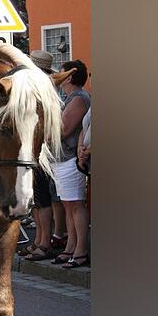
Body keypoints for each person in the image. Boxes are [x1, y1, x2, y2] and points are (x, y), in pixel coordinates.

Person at [21, 50, 67, 261]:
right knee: (37, 200)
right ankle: (39, 239)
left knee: (43, 200)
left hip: (46, 153)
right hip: (38, 151)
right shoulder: (43, 88)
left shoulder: (47, 90)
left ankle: (44, 241)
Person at [51, 60, 91, 268]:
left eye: (62, 72)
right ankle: (71, 247)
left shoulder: (78, 98)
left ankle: (80, 250)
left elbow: (63, 130)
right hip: (63, 159)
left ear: (70, 77)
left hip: (70, 159)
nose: (58, 75)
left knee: (75, 205)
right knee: (69, 206)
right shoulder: (70, 97)